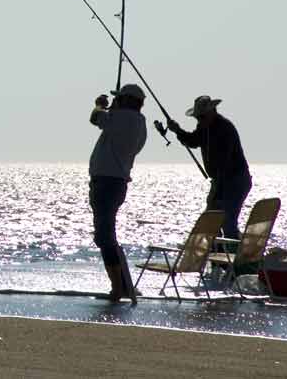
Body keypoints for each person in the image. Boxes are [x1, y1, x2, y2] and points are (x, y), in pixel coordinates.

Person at [88, 83, 148, 303]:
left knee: (104, 236)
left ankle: (118, 288)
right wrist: (113, 108)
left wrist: (100, 105)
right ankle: (121, 284)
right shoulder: (140, 123)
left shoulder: (122, 119)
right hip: (115, 183)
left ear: (125, 101)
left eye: (119, 99)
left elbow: (95, 118)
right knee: (106, 234)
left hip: (106, 184)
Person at [167, 95, 252, 241]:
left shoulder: (225, 128)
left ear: (212, 112)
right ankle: (218, 257)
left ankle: (232, 258)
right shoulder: (204, 127)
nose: (199, 120)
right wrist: (177, 130)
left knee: (228, 221)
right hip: (221, 180)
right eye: (198, 117)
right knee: (211, 221)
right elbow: (193, 141)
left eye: (201, 117)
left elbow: (224, 162)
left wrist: (217, 189)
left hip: (235, 180)